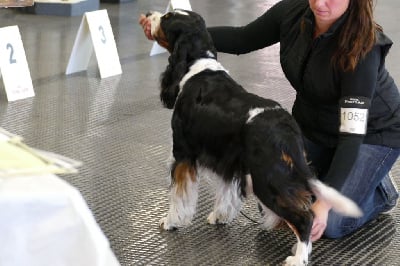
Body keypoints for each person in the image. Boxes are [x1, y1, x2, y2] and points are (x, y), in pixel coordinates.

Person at [139, 0, 400, 242]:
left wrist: (323, 204)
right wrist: (178, 34)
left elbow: (351, 137)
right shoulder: (293, 11)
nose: (320, 3)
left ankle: (381, 191)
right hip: (314, 127)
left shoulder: (365, 49)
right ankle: (338, 174)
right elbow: (242, 39)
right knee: (273, 202)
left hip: (371, 135)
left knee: (329, 223)